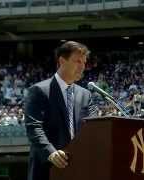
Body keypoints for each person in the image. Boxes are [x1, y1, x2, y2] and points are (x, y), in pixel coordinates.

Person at [24, 41, 97, 180]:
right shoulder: (39, 91)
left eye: (84, 62)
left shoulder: (85, 95)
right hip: (47, 169)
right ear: (62, 61)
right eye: (77, 61)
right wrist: (51, 153)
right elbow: (33, 128)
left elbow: (91, 130)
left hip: (78, 170)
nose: (82, 67)